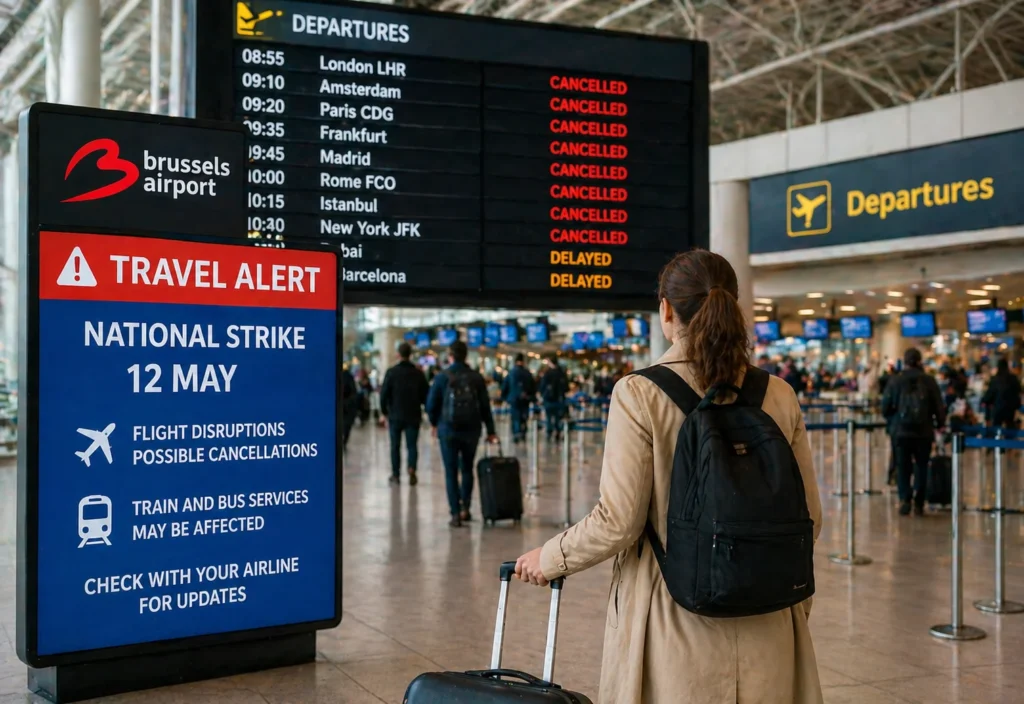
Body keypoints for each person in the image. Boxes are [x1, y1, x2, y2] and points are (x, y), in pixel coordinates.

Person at [514, 250, 824, 704]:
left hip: (671, 622)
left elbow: (618, 522)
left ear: (665, 309)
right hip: (770, 623)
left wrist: (551, 556)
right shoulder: (778, 394)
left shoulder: (639, 392)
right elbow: (810, 518)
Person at [426, 340, 498, 527]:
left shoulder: (442, 377)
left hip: (447, 430)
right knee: (467, 468)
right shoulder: (476, 378)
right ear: (466, 356)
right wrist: (491, 431)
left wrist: (434, 423)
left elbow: (431, 405)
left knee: (450, 472)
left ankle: (455, 513)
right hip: (471, 430)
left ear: (450, 356)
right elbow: (485, 407)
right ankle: (466, 507)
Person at [882, 347, 946, 516]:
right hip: (923, 432)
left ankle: (905, 499)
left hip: (901, 432)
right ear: (919, 361)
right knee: (922, 465)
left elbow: (885, 407)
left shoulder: (895, 381)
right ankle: (919, 501)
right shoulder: (929, 380)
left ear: (905, 362)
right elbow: (939, 406)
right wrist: (940, 424)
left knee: (902, 465)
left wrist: (892, 423)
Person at [379, 342, 429, 486]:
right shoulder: (418, 373)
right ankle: (412, 468)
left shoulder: (391, 372)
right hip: (413, 415)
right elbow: (426, 395)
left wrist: (384, 412)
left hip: (395, 415)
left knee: (395, 446)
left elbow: (384, 395)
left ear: (398, 355)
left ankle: (396, 475)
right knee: (412, 445)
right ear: (410, 355)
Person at [501, 353, 536, 444]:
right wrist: (531, 397)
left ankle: (516, 434)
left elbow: (505, 386)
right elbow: (533, 387)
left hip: (514, 399)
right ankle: (523, 432)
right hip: (525, 399)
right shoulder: (527, 373)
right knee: (524, 416)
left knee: (515, 417)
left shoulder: (511, 373)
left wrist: (504, 397)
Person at [982, 358, 1022, 430]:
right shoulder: (1013, 378)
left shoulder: (995, 379)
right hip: (1011, 410)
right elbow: (1019, 391)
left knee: (996, 428)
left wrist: (985, 400)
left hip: (998, 409)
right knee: (1010, 429)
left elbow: (989, 396)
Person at [538, 354, 569, 441]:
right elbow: (566, 387)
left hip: (549, 399)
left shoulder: (547, 373)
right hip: (559, 399)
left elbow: (542, 387)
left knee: (548, 417)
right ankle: (558, 432)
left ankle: (549, 432)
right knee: (558, 417)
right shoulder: (561, 373)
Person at [340, 366, 359, 453]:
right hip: (348, 406)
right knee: (346, 426)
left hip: (342, 405)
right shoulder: (350, 377)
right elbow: (354, 392)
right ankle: (344, 441)